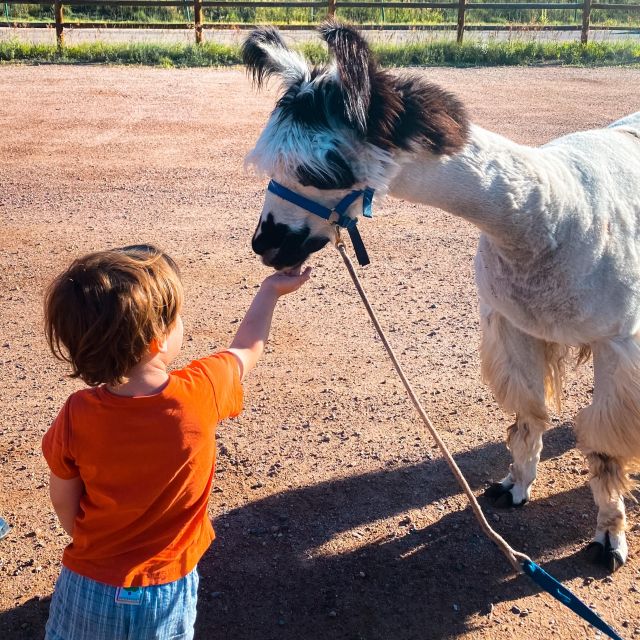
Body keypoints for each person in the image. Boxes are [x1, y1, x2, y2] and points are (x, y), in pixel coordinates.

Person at [41, 244, 310, 640]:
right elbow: (247, 348)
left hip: (88, 582)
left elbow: (64, 499)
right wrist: (270, 290)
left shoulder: (77, 413)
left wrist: (93, 544)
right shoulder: (201, 391)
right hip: (166, 588)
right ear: (157, 340)